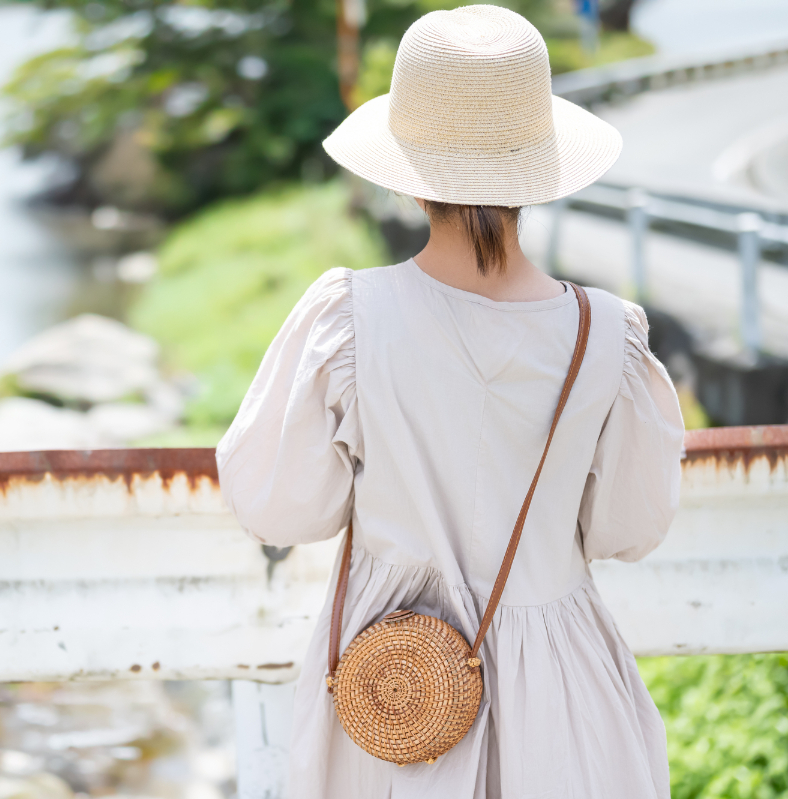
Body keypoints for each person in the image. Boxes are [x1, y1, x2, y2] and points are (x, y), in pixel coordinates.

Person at [216, 5, 684, 799]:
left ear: (408, 176)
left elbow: (278, 508)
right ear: (537, 173)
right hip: (561, 684)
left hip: (393, 687)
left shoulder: (350, 319)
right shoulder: (607, 334)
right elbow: (628, 528)